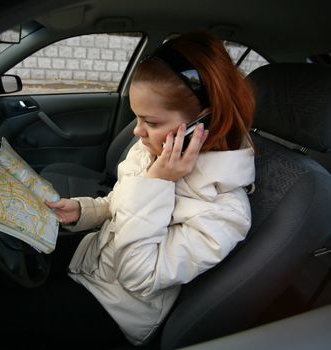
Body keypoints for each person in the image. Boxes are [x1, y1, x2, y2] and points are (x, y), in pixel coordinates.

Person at [46, 31, 255, 346]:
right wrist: (85, 210)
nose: (136, 130)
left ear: (204, 121)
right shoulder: (151, 151)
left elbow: (138, 276)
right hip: (89, 266)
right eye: (136, 117)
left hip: (117, 313)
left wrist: (157, 183)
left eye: (151, 122)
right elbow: (121, 204)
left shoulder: (224, 213)